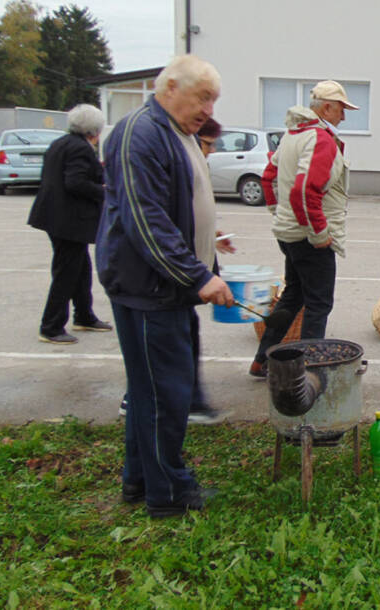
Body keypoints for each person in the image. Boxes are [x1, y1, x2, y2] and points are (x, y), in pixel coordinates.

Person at [96, 54, 234, 518]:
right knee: (165, 395)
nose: (207, 110)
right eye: (202, 98)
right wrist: (198, 276)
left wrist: (209, 260)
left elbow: (184, 207)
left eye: (213, 100)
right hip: (151, 290)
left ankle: (139, 480)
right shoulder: (141, 133)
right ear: (170, 86)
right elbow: (146, 221)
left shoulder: (177, 132)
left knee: (147, 390)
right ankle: (169, 495)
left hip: (167, 286)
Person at [248, 81, 358, 378]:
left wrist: (278, 213)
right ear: (326, 108)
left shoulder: (291, 136)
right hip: (310, 238)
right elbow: (304, 191)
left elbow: (268, 178)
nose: (344, 117)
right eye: (341, 110)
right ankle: (310, 372)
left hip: (290, 234)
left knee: (292, 297)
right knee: (318, 304)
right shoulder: (320, 140)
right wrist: (320, 234)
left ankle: (263, 359)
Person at [28, 104, 112, 345]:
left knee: (81, 268)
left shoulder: (60, 143)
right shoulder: (80, 149)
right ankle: (51, 326)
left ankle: (84, 315)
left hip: (55, 217)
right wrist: (104, 191)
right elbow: (75, 182)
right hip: (68, 221)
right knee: (66, 273)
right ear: (94, 130)